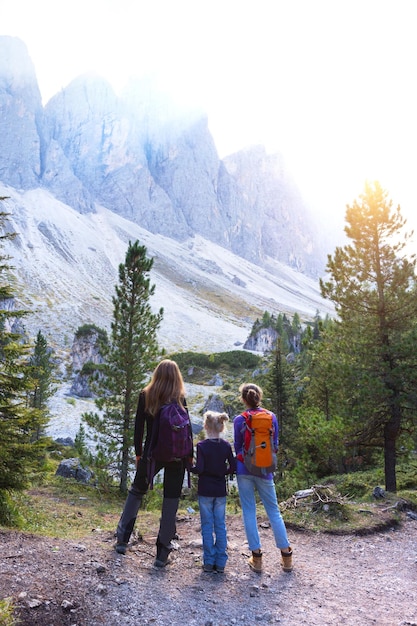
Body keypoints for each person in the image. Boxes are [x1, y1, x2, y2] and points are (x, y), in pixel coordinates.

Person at [115, 359, 191, 568]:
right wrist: (188, 457)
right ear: (177, 377)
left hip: (151, 455)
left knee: (136, 492)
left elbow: (139, 429)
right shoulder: (179, 397)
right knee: (170, 500)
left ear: (156, 374)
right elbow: (188, 430)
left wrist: (139, 454)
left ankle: (122, 540)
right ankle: (162, 554)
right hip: (177, 457)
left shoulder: (146, 395)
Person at [233, 383, 293, 573]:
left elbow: (237, 446)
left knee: (249, 512)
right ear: (259, 397)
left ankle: (257, 559)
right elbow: (274, 444)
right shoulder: (271, 417)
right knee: (274, 512)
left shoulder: (239, 420)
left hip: (244, 470)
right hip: (266, 469)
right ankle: (286, 557)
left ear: (243, 399)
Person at [191, 411, 236, 573]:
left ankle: (208, 561)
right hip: (220, 490)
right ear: (221, 427)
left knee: (207, 526)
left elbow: (200, 468)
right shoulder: (225, 445)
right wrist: (222, 472)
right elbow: (233, 466)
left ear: (205, 426)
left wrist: (190, 467)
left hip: (205, 489)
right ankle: (221, 562)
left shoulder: (202, 446)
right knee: (220, 525)